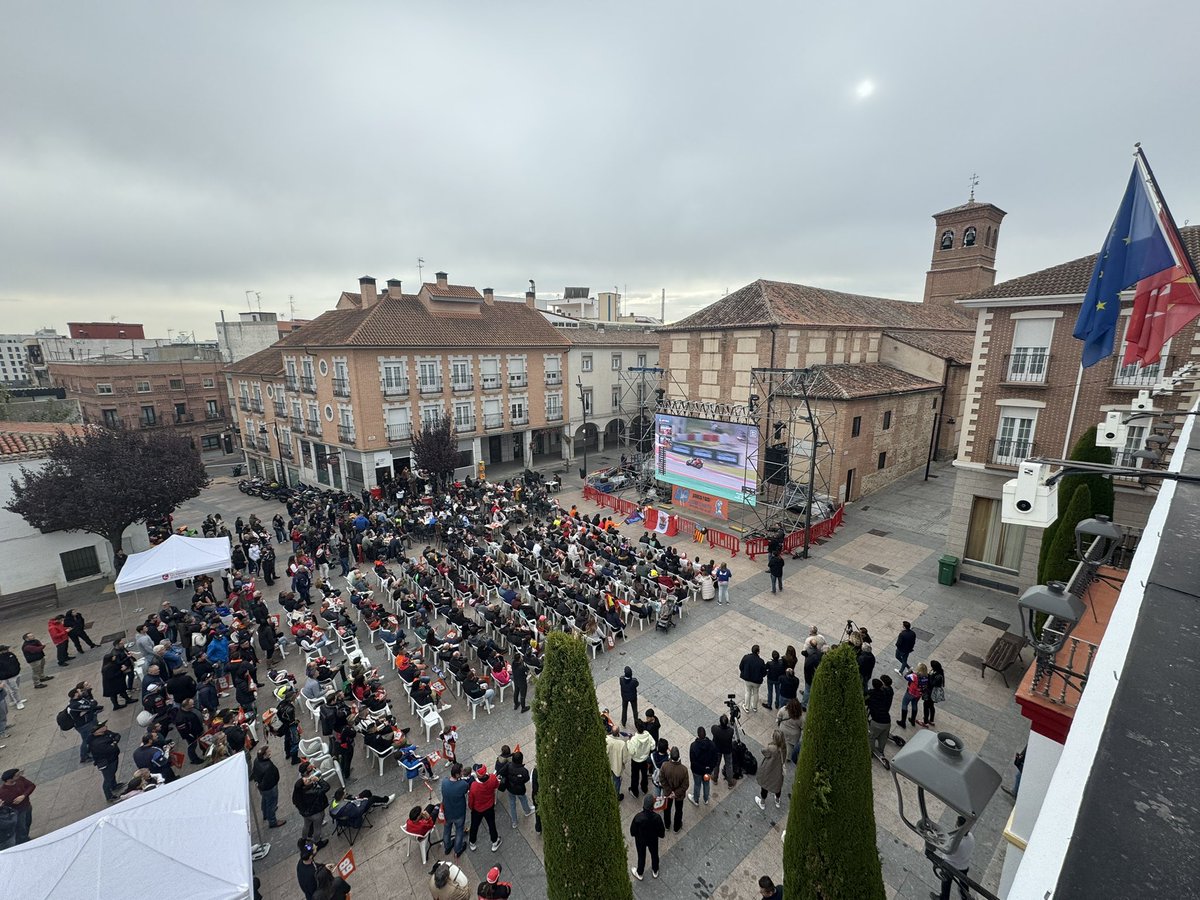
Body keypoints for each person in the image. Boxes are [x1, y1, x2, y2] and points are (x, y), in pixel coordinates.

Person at [932, 817, 975, 900]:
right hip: (963, 866)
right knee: (963, 884)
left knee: (946, 884)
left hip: (950, 866)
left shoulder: (954, 841)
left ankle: (944, 898)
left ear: (958, 827)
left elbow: (944, 849)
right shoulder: (971, 837)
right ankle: (965, 897)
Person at [292, 762, 330, 848]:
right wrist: (318, 780)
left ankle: (304, 839)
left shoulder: (298, 793)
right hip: (316, 813)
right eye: (305, 780)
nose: (307, 779)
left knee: (306, 825)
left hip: (306, 813)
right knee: (317, 828)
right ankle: (317, 842)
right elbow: (326, 787)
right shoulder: (312, 792)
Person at [629, 793, 665, 881]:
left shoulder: (638, 817)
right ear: (653, 806)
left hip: (640, 840)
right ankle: (655, 870)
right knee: (654, 854)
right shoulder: (657, 818)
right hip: (653, 840)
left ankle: (640, 873)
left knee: (641, 856)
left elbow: (632, 831)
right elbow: (661, 833)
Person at [251, 745, 287, 828]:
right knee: (271, 804)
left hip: (262, 787)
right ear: (264, 755)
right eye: (268, 752)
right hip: (270, 788)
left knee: (265, 799)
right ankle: (272, 821)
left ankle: (265, 814)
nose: (270, 752)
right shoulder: (268, 767)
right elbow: (269, 780)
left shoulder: (257, 760)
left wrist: (259, 785)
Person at [467, 764, 502, 852]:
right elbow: (497, 785)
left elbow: (471, 801)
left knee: (474, 826)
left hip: (477, 810)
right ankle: (495, 842)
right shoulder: (493, 778)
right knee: (491, 825)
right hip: (489, 807)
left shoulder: (474, 786)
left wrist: (471, 808)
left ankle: (472, 842)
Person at [441, 762, 471, 859]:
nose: (463, 772)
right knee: (459, 831)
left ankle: (447, 846)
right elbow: (466, 789)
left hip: (447, 811)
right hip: (458, 813)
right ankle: (458, 850)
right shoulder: (462, 784)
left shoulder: (444, 782)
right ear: (457, 774)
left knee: (446, 830)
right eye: (461, 771)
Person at [658, 746, 689, 833]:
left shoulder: (664, 766)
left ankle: (667, 825)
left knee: (667, 809)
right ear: (679, 757)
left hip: (668, 794)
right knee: (678, 811)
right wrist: (675, 793)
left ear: (670, 757)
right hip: (679, 796)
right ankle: (676, 827)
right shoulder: (684, 769)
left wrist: (669, 792)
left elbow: (662, 779)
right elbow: (685, 785)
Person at [89, 720, 121, 802]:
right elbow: (109, 749)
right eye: (102, 727)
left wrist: (114, 741)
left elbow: (117, 735)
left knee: (112, 773)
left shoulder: (106, 732)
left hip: (113, 758)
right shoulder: (97, 743)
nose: (105, 727)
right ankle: (109, 796)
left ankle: (114, 786)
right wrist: (114, 743)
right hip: (105, 762)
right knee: (108, 779)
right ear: (97, 731)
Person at [0, 768, 35, 844]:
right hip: (17, 812)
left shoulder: (20, 780)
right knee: (21, 828)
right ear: (9, 779)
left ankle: (26, 838)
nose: (19, 776)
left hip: (27, 806)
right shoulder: (3, 791)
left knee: (27, 823)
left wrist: (24, 795)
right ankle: (24, 842)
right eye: (16, 775)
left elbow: (31, 786)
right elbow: (5, 803)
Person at [866, 676, 894, 766]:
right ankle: (881, 750)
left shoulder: (872, 695)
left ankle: (870, 751)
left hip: (877, 722)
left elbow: (866, 700)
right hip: (887, 721)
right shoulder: (886, 693)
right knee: (883, 737)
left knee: (872, 737)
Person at [754, 730, 786, 810]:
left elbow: (763, 751)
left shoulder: (771, 748)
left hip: (768, 770)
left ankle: (762, 803)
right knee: (777, 787)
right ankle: (777, 801)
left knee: (765, 786)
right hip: (778, 771)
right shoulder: (783, 747)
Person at [501, 750, 533, 826]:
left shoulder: (508, 765)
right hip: (520, 790)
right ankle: (527, 811)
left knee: (512, 804)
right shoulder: (523, 771)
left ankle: (514, 822)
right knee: (523, 799)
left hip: (510, 788)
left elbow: (501, 772)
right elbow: (527, 779)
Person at [688, 726, 718, 806]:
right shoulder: (712, 745)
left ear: (698, 735)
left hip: (697, 771)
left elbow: (692, 760)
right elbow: (715, 759)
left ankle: (696, 800)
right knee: (706, 784)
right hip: (707, 771)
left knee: (697, 784)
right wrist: (709, 768)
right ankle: (706, 799)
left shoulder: (693, 746)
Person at [627, 720, 655, 798]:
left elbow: (631, 752)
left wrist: (628, 742)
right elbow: (653, 746)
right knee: (644, 774)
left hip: (636, 760)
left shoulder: (634, 739)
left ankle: (635, 791)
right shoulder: (648, 735)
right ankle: (644, 788)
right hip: (645, 759)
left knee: (635, 776)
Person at [738, 644, 767, 712]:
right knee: (756, 693)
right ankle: (754, 707)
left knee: (748, 692)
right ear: (758, 652)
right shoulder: (761, 661)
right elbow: (764, 672)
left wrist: (744, 672)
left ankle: (746, 707)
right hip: (757, 681)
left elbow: (741, 666)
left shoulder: (746, 657)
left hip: (747, 679)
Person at [605, 723, 630, 800]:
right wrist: (623, 763)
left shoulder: (606, 739)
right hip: (617, 766)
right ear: (618, 733)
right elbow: (625, 758)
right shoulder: (622, 744)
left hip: (609, 763)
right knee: (617, 781)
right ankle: (616, 796)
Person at [898, 664, 926, 729]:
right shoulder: (926, 677)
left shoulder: (914, 676)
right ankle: (913, 720)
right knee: (914, 705)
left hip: (910, 693)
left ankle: (903, 722)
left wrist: (909, 671)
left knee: (904, 704)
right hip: (918, 694)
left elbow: (906, 677)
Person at [776, 699, 804, 765]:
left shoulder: (783, 710)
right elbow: (803, 727)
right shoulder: (800, 717)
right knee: (790, 746)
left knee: (782, 741)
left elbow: (778, 717)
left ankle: (779, 751)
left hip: (783, 729)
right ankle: (787, 758)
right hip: (793, 735)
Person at [0, 645, 23, 713]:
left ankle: (12, 700)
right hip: (7, 677)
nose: (8, 650)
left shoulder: (11, 654)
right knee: (14, 689)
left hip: (16, 674)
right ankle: (18, 702)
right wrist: (3, 676)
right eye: (6, 649)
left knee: (15, 688)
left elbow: (16, 662)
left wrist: (18, 669)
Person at [922, 660, 945, 726]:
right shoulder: (939, 672)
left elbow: (932, 683)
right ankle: (931, 720)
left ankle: (925, 721)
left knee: (926, 706)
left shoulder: (937, 676)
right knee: (931, 706)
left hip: (931, 693)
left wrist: (930, 676)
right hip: (931, 692)